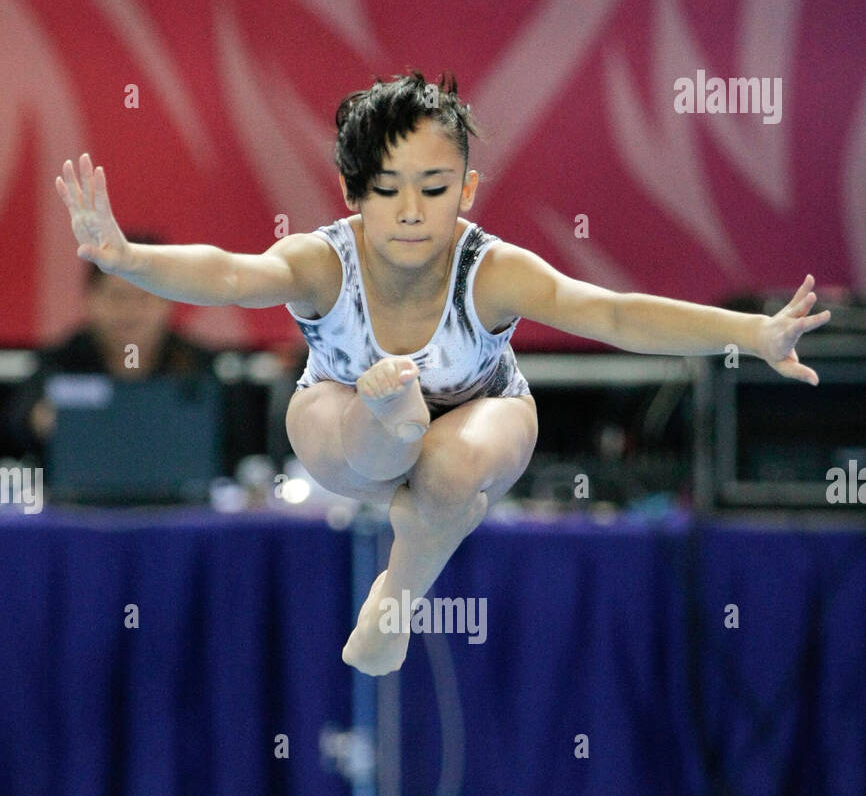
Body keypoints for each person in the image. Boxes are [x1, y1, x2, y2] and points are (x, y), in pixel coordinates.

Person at [55, 70, 831, 676]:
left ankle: (395, 598)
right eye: (387, 191)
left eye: (434, 189)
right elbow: (228, 274)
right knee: (379, 421)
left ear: (466, 189)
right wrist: (129, 260)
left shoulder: (489, 271)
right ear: (352, 193)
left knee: (449, 464)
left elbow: (615, 314)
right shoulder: (322, 262)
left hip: (480, 412)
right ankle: (388, 416)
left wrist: (753, 333)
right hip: (346, 422)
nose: (412, 212)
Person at [2, 233, 215, 462]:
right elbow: (15, 429)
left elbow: (235, 443)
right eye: (117, 296)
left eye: (144, 296)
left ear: (169, 300)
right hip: (79, 491)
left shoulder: (199, 365)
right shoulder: (60, 362)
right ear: (90, 299)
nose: (130, 310)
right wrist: (37, 420)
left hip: (182, 493)